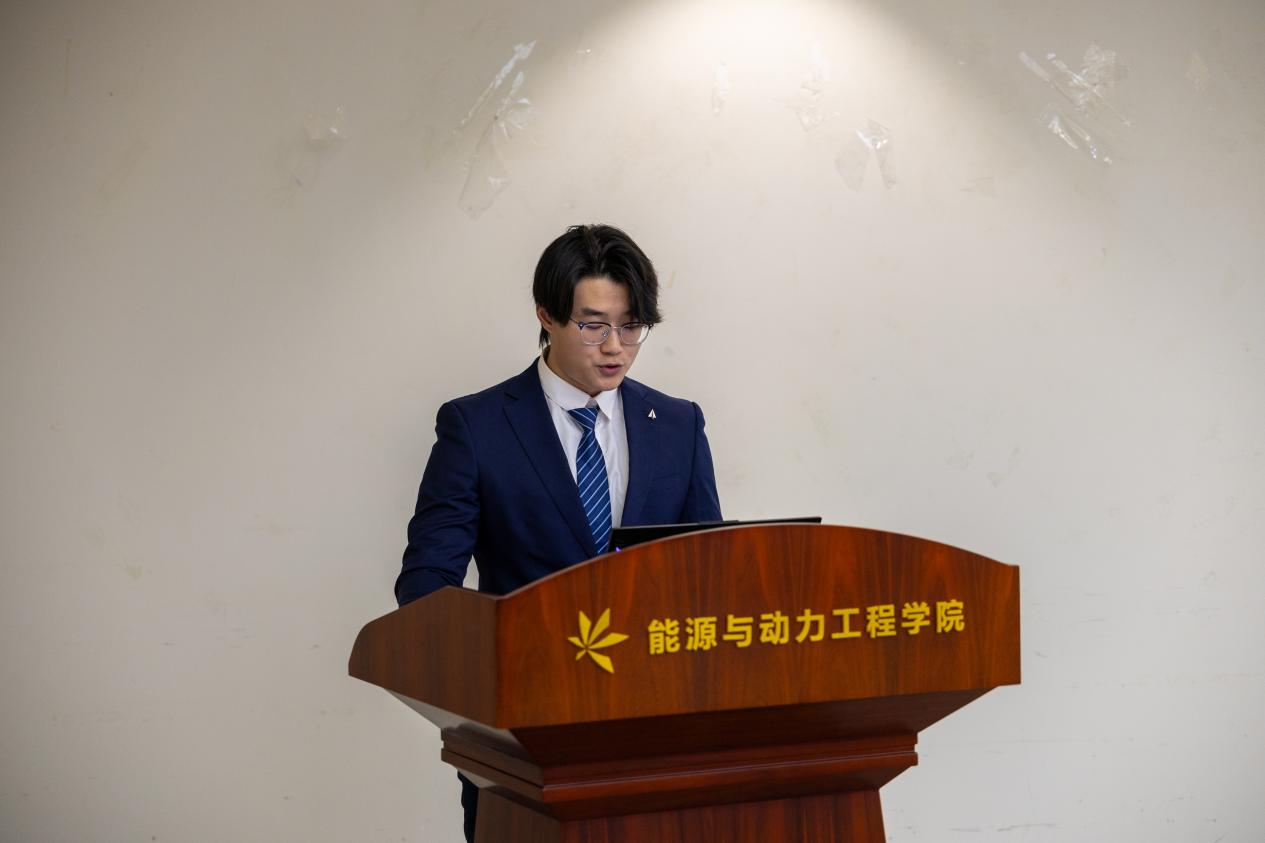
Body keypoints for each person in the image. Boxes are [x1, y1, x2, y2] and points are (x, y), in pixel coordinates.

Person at [394, 223, 723, 841]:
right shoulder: (477, 426)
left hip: (655, 731)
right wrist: (482, 694)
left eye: (631, 326)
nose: (615, 347)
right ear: (546, 315)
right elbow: (427, 582)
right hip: (521, 738)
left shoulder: (679, 424)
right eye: (593, 326)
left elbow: (708, 571)